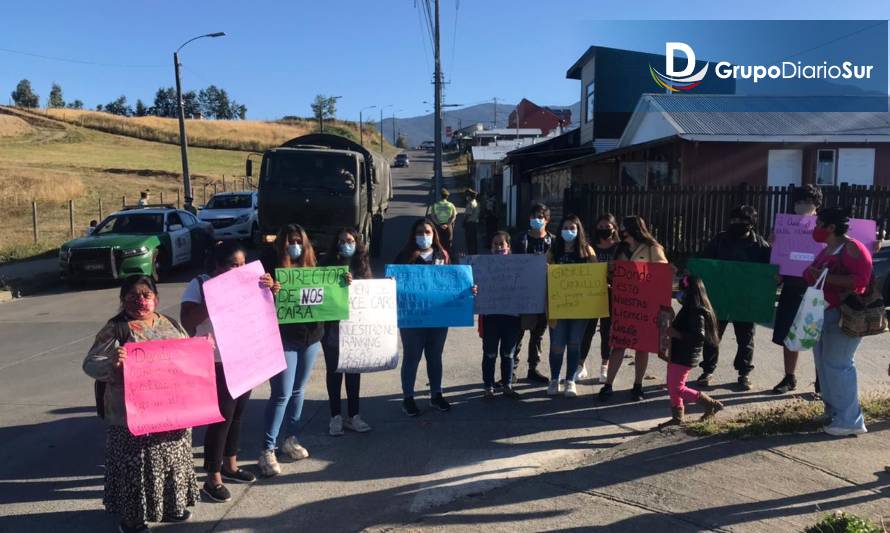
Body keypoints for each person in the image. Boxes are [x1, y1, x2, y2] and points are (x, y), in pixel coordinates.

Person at [83, 275, 197, 533]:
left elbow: (188, 356)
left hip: (172, 413)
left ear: (156, 298)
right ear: (123, 300)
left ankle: (171, 507)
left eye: (146, 294)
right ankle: (132, 519)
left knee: (172, 462)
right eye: (133, 295)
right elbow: (90, 364)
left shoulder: (170, 323)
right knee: (136, 468)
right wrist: (113, 363)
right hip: (132, 416)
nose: (140, 300)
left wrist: (201, 349)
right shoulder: (117, 329)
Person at [180, 241, 275, 502]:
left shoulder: (251, 282)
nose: (240, 269)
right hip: (216, 361)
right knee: (221, 418)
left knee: (238, 415)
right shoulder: (199, 284)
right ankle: (212, 478)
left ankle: (230, 465)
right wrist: (217, 298)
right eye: (234, 265)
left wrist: (270, 290)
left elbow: (263, 312)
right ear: (218, 266)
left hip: (244, 356)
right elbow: (186, 321)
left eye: (243, 264)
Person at [258, 224, 324, 477]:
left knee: (298, 390)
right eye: (289, 241)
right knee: (281, 393)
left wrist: (344, 282)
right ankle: (267, 448)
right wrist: (269, 290)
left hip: (311, 337)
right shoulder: (270, 267)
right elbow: (256, 300)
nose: (293, 245)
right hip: (282, 338)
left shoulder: (314, 267)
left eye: (298, 240)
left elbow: (328, 295)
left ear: (305, 244)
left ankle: (290, 438)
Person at [394, 218, 475, 415]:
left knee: (435, 356)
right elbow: (394, 283)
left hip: (439, 316)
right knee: (412, 357)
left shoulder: (443, 255)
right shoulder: (404, 256)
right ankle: (408, 398)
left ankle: (436, 395)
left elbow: (455, 282)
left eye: (428, 232)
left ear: (434, 235)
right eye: (420, 232)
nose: (424, 236)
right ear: (414, 235)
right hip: (413, 317)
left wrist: (469, 289)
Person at [802, 207, 873, 436]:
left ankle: (851, 420)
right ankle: (833, 412)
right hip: (823, 312)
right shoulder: (828, 248)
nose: (815, 228)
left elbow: (860, 281)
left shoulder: (852, 247)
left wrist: (825, 277)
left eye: (818, 223)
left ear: (831, 227)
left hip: (844, 315)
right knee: (824, 364)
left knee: (838, 365)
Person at [697, 205, 771, 391]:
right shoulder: (720, 240)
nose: (737, 224)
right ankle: (707, 370)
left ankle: (744, 373)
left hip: (745, 300)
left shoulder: (760, 245)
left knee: (746, 338)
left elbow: (768, 275)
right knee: (713, 335)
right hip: (719, 297)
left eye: (742, 220)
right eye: (734, 220)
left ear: (751, 223)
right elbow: (705, 263)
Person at [599, 216, 669, 402]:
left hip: (644, 305)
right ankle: (608, 385)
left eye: (624, 227)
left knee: (642, 346)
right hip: (624, 304)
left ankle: (637, 386)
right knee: (619, 345)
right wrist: (612, 271)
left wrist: (640, 270)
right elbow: (612, 273)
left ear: (635, 229)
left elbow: (662, 269)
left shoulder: (652, 247)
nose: (621, 231)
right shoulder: (620, 249)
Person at [772, 185, 823, 394]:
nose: (802, 206)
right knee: (788, 335)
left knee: (820, 337)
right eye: (799, 202)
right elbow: (780, 259)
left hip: (818, 290)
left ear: (816, 205)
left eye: (807, 202)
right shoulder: (786, 227)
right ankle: (789, 377)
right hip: (792, 287)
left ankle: (821, 380)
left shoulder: (824, 226)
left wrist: (871, 244)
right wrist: (773, 246)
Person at [322, 228, 373, 436]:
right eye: (342, 240)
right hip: (332, 328)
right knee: (334, 372)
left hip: (355, 328)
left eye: (350, 240)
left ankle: (354, 415)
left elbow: (369, 291)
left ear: (357, 242)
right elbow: (320, 289)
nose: (346, 244)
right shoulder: (326, 264)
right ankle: (335, 416)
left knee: (353, 372)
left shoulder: (362, 263)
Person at [658, 275, 725, 428]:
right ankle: (677, 417)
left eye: (681, 291)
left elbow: (698, 337)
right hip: (679, 353)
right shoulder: (690, 308)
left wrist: (677, 334)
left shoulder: (696, 312)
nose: (679, 294)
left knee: (677, 387)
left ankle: (711, 404)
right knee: (672, 385)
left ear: (690, 292)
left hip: (685, 355)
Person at [547, 214, 597, 398]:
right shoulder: (553, 251)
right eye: (565, 228)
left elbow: (596, 275)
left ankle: (570, 380)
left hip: (580, 308)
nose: (569, 231)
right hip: (557, 307)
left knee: (575, 342)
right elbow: (542, 273)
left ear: (579, 230)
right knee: (557, 344)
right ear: (560, 231)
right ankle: (554, 379)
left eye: (572, 228)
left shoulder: (587, 251)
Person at [511, 203, 554, 384]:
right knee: (517, 333)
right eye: (533, 216)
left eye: (541, 216)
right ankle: (511, 370)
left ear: (547, 220)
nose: (537, 220)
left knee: (538, 334)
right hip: (522, 294)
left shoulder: (554, 241)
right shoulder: (520, 239)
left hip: (545, 294)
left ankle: (532, 368)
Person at [577, 213, 620, 383]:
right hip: (592, 294)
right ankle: (581, 365)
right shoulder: (589, 247)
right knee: (587, 329)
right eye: (600, 227)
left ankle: (605, 365)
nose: (604, 230)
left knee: (607, 330)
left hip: (613, 294)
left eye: (607, 227)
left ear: (614, 228)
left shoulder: (619, 247)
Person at [480, 231, 521, 399]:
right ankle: (488, 386)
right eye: (495, 244)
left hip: (511, 317)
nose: (498, 247)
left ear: (508, 247)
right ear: (490, 247)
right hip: (491, 316)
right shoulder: (482, 266)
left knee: (509, 353)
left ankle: (507, 385)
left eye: (501, 244)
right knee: (490, 353)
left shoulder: (519, 266)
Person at [430, 187, 457, 254]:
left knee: (438, 242)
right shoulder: (451, 205)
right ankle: (448, 258)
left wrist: (439, 224)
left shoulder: (435, 205)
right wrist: (447, 224)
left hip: (438, 226)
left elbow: (433, 216)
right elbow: (454, 216)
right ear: (447, 196)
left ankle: (439, 257)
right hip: (448, 227)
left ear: (440, 196)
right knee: (448, 243)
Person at [463, 188, 481, 255]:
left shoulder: (470, 204)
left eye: (467, 195)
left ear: (470, 196)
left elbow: (468, 214)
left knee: (469, 240)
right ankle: (474, 254)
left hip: (470, 224)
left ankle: (471, 254)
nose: (466, 197)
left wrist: (464, 222)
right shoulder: (476, 202)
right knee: (474, 240)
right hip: (475, 223)